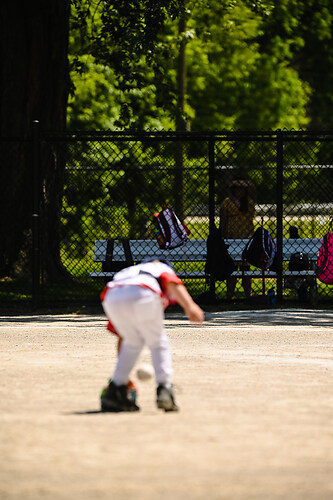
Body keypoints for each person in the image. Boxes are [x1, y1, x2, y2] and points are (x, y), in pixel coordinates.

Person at [100, 258, 204, 413]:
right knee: (158, 342)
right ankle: (165, 389)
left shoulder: (129, 272)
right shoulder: (160, 266)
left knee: (132, 342)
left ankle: (116, 390)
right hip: (143, 292)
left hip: (111, 296)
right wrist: (190, 306)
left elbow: (122, 337)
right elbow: (171, 281)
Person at [219, 178, 256, 300]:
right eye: (237, 189)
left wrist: (244, 184)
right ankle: (230, 296)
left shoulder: (249, 202)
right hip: (232, 239)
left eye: (242, 189)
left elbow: (253, 189)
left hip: (246, 239)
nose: (239, 191)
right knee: (232, 270)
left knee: (246, 269)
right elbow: (223, 221)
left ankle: (248, 295)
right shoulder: (227, 202)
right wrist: (223, 237)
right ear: (233, 191)